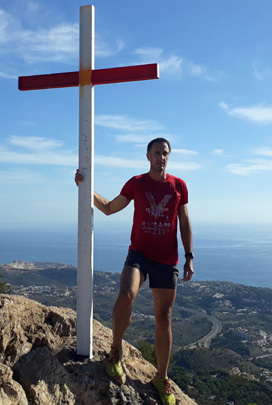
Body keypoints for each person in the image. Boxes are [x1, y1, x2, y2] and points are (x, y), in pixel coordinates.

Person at [74, 137, 194, 405]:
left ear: (169, 156)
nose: (161, 157)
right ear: (148, 156)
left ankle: (162, 378)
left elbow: (184, 222)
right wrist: (85, 187)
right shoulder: (137, 183)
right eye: (156, 153)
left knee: (164, 316)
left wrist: (189, 256)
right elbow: (109, 208)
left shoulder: (179, 186)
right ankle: (115, 352)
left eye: (165, 153)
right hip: (139, 254)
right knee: (127, 295)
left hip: (167, 260)